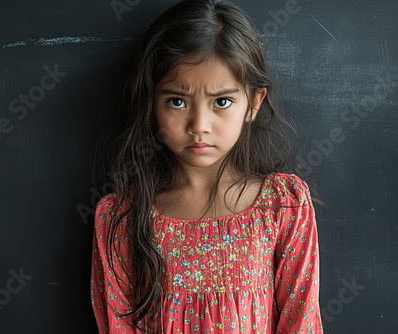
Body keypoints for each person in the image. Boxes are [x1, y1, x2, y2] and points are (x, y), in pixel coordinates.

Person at [90, 0, 324, 332]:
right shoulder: (122, 218)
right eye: (177, 101)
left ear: (253, 103)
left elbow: (300, 324)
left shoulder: (283, 205)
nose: (199, 124)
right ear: (151, 103)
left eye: (222, 101)